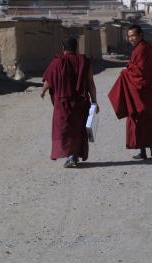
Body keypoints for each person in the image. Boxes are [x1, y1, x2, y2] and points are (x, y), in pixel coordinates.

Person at [108, 25, 152, 160]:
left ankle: (143, 152)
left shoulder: (141, 50)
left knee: (139, 120)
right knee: (151, 120)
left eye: (133, 36)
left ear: (141, 35)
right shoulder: (148, 48)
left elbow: (140, 74)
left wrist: (125, 73)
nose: (131, 39)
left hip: (142, 94)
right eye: (129, 36)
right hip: (151, 93)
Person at [40, 37, 99, 168]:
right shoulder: (84, 61)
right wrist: (94, 101)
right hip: (80, 102)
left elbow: (49, 80)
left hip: (63, 103)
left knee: (64, 129)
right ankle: (74, 155)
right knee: (77, 129)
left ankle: (70, 156)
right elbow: (90, 83)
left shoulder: (57, 62)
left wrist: (43, 91)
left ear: (63, 48)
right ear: (76, 48)